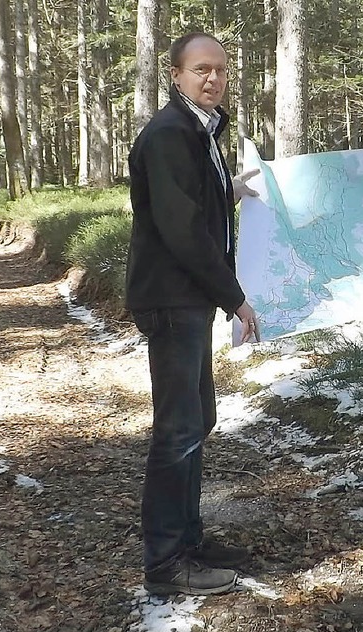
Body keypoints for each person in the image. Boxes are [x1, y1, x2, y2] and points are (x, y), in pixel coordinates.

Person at [126, 31, 260, 596]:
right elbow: (180, 230)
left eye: (221, 70)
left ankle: (189, 539)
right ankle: (165, 563)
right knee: (178, 430)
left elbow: (191, 206)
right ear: (176, 75)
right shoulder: (169, 134)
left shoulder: (199, 131)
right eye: (201, 69)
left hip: (188, 300)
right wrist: (234, 295)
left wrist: (232, 189)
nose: (213, 78)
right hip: (173, 299)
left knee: (196, 421)